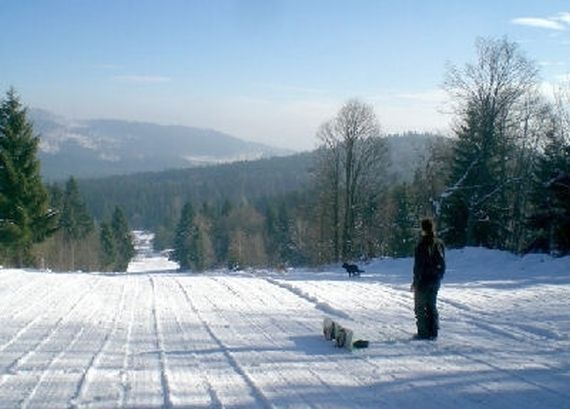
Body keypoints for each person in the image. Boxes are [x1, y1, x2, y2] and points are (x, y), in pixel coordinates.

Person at [411, 218, 445, 340]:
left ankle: (423, 332)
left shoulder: (421, 245)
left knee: (420, 307)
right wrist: (438, 276)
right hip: (435, 280)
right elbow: (442, 263)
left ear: (423, 229)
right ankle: (433, 331)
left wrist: (415, 280)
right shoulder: (439, 243)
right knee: (431, 305)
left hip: (423, 280)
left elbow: (418, 265)